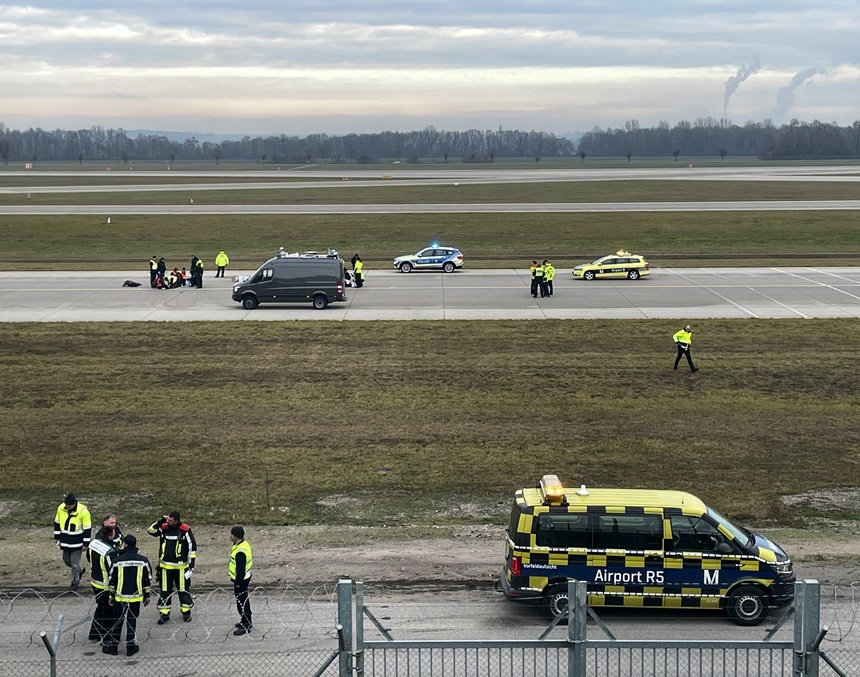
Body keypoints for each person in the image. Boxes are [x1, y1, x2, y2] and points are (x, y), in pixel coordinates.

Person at [105, 534, 152, 656]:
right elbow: (147, 580)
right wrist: (147, 596)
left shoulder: (117, 561)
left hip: (119, 597)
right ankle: (130, 646)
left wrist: (111, 596)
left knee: (118, 620)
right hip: (135, 597)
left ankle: (114, 646)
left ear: (125, 544)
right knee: (132, 620)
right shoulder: (143, 561)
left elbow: (111, 581)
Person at [148, 511, 197, 623]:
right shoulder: (163, 527)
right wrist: (160, 521)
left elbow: (192, 547)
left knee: (183, 591)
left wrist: (192, 563)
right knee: (165, 591)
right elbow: (151, 531)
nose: (168, 522)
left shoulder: (185, 530)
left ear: (176, 521)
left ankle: (186, 612)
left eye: (170, 520)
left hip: (181, 568)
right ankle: (164, 614)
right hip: (165, 568)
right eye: (167, 520)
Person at [87, 515, 120, 642]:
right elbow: (112, 569)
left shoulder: (94, 543)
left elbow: (89, 558)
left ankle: (94, 633)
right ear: (110, 536)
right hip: (105, 584)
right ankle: (105, 637)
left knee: (100, 608)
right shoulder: (109, 551)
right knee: (107, 611)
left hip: (95, 581)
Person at [53, 493, 91, 589]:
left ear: (74, 504)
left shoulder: (83, 511)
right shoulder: (61, 508)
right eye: (67, 505)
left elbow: (87, 528)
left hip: (77, 543)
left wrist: (86, 544)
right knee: (66, 560)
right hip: (65, 542)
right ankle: (80, 570)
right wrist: (57, 537)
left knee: (74, 564)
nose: (68, 507)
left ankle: (75, 582)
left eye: (69, 505)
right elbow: (57, 522)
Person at [229, 526, 253, 635]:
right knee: (243, 600)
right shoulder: (242, 545)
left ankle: (246, 623)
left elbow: (240, 569)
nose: (230, 536)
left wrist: (237, 583)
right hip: (245, 577)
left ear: (236, 536)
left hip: (241, 580)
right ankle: (246, 621)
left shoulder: (240, 551)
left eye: (231, 534)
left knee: (241, 602)